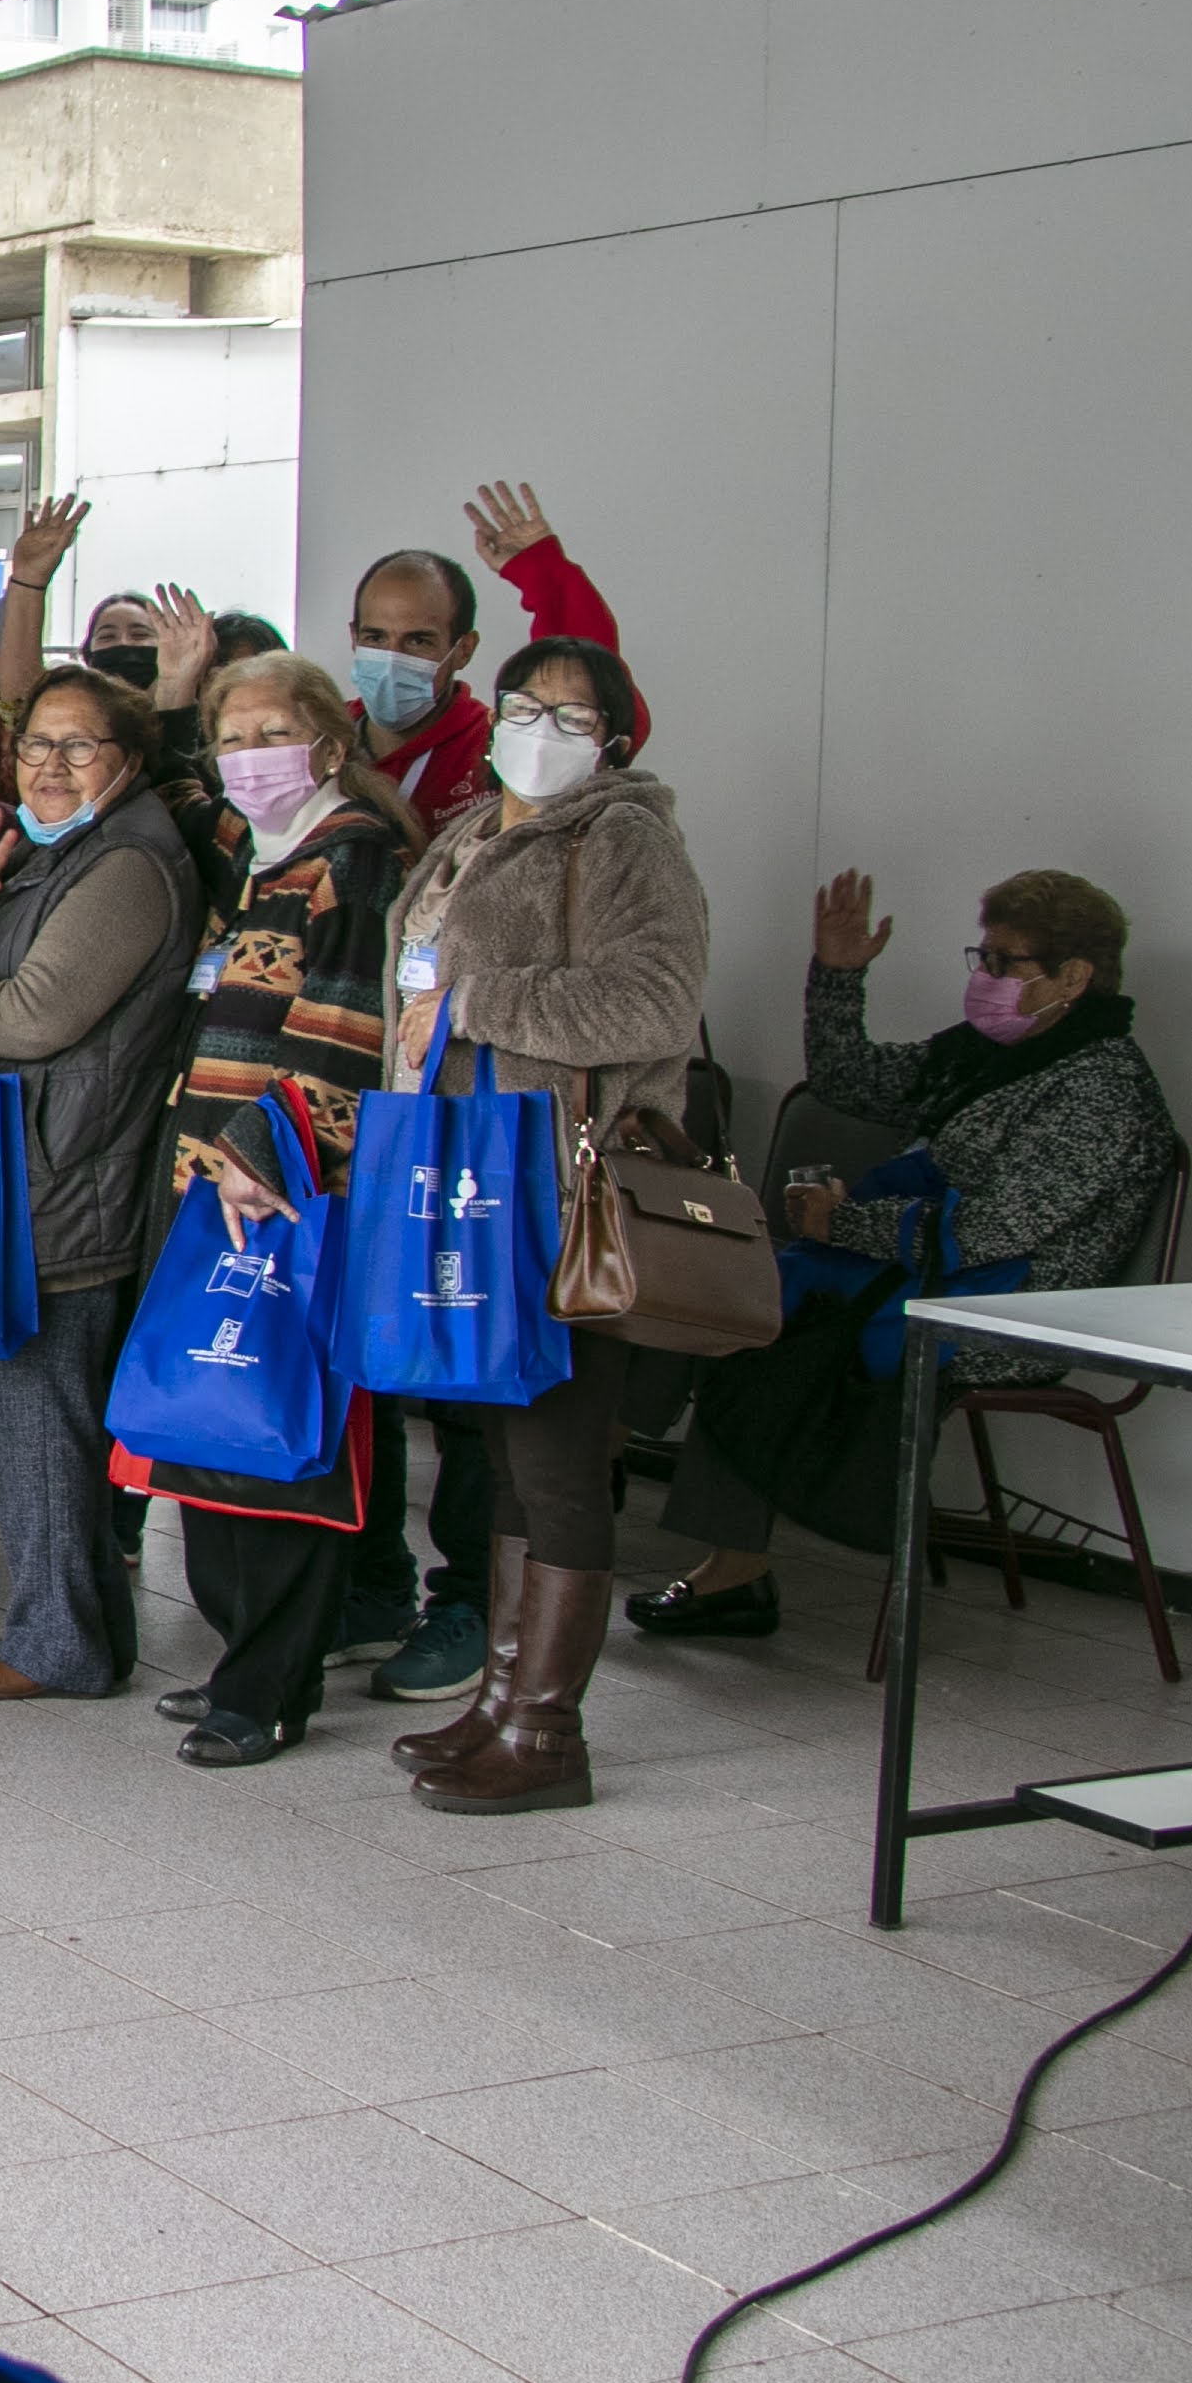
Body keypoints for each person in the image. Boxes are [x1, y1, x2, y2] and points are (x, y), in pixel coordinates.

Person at [638, 868, 1175, 1638]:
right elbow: (846, 1080)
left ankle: (725, 1567)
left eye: (1004, 962)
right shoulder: (989, 1056)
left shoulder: (1103, 1092)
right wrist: (838, 977)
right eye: (980, 956)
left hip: (1005, 1312)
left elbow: (992, 1233)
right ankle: (603, 1475)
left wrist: (845, 1225)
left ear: (1074, 977)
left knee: (764, 1329)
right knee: (704, 1295)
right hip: (917, 1276)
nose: (983, 977)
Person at [380, 639, 705, 1813]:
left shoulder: (625, 839)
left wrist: (474, 1002)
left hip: (567, 1190)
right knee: (512, 1459)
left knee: (563, 1464)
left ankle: (550, 1736)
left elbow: (654, 1001)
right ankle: (500, 1702)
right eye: (527, 706)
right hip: (470, 1178)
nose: (545, 729)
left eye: (575, 715)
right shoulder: (471, 833)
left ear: (614, 738)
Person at [125, 654, 411, 1766]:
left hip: (287, 1192)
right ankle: (239, 1653)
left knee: (285, 1441)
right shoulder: (260, 853)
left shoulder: (355, 862)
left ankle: (273, 1686)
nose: (247, 757)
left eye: (270, 733)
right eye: (230, 736)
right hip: (209, 1186)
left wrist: (267, 1154)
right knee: (214, 1425)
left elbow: (346, 1023)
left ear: (331, 743)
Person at [0, 664, 205, 1710]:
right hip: (40, 1165)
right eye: (37, 744)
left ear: (127, 759)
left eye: (78, 746)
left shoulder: (130, 862)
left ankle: (62, 1646)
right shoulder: (73, 846)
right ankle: (70, 1629)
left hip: (68, 1182)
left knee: (44, 1418)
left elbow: (35, 1014)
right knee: (40, 1414)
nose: (51, 765)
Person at [333, 483, 633, 830]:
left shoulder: (496, 743)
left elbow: (586, 677)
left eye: (418, 641)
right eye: (375, 637)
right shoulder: (322, 734)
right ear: (354, 637)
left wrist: (544, 573)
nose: (391, 658)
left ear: (464, 649)